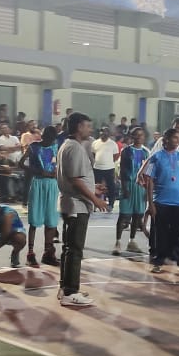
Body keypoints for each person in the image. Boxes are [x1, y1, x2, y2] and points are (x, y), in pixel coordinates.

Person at [57, 112, 108, 306]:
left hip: (70, 203)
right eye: (88, 126)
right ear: (79, 127)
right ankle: (71, 292)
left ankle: (65, 288)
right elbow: (76, 180)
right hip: (76, 205)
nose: (90, 129)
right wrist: (95, 199)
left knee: (68, 248)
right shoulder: (75, 148)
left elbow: (75, 178)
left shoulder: (67, 146)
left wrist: (93, 187)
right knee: (75, 249)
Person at [142, 128, 179, 273]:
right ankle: (159, 261)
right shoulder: (156, 157)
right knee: (161, 233)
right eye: (175, 138)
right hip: (161, 202)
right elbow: (150, 181)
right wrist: (151, 203)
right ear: (166, 140)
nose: (177, 141)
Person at [25, 126, 59, 267]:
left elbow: (57, 164)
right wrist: (37, 171)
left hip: (52, 184)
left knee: (51, 220)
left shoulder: (56, 147)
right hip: (38, 183)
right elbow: (21, 164)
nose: (50, 141)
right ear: (43, 136)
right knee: (34, 219)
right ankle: (30, 254)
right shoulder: (33, 147)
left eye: (52, 139)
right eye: (47, 137)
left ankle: (48, 253)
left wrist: (56, 172)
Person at [112, 127, 150, 256]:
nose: (139, 137)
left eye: (141, 135)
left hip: (140, 187)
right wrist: (124, 187)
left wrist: (147, 189)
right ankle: (117, 242)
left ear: (144, 137)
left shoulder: (146, 152)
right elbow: (122, 170)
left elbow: (148, 172)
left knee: (137, 215)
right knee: (123, 215)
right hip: (128, 184)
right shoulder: (126, 151)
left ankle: (131, 241)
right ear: (132, 137)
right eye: (136, 135)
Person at [91, 126, 119, 210]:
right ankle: (95, 204)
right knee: (96, 187)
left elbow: (116, 156)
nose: (103, 133)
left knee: (111, 187)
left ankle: (110, 204)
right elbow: (93, 154)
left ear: (109, 133)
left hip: (109, 169)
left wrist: (108, 162)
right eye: (102, 131)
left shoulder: (113, 144)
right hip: (97, 168)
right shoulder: (95, 143)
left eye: (106, 131)